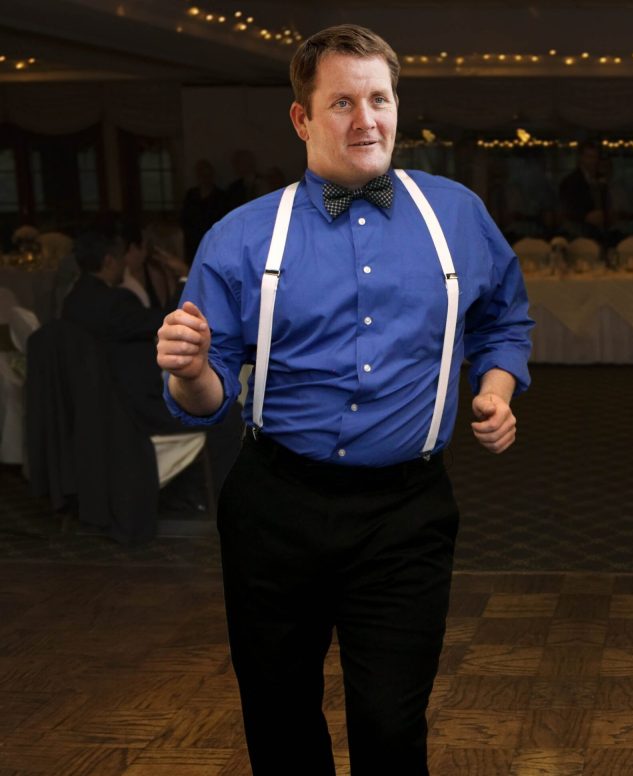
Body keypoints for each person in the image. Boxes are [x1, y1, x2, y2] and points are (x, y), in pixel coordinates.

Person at [155, 24, 533, 776]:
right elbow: (205, 394)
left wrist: (493, 390)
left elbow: (504, 318)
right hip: (276, 505)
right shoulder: (239, 238)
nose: (366, 121)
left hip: (406, 513)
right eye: (341, 103)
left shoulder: (455, 215)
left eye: (379, 99)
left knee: (392, 727)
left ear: (398, 105)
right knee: (279, 718)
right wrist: (188, 368)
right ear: (302, 118)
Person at [62, 225, 242, 494]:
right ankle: (223, 497)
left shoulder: (73, 299)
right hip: (134, 406)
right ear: (110, 261)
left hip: (100, 401)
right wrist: (184, 277)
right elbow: (167, 322)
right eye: (121, 257)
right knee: (228, 414)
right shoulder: (114, 302)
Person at [180, 159, 228, 264]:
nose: (205, 178)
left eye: (207, 175)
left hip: (212, 241)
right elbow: (185, 217)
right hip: (192, 242)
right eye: (202, 175)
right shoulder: (191, 194)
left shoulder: (221, 197)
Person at [558, 142, 607, 242]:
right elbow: (565, 208)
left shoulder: (601, 179)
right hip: (577, 233)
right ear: (581, 158)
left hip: (598, 233)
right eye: (589, 157)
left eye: (595, 157)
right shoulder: (570, 181)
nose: (592, 161)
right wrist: (585, 216)